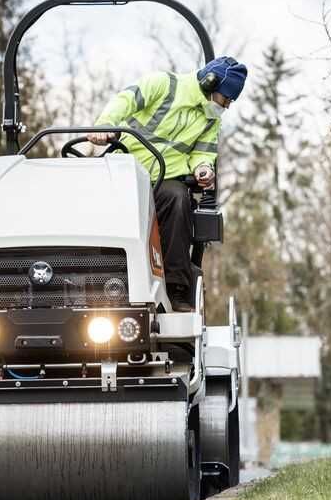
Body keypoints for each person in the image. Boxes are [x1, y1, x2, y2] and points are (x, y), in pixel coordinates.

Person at [90, 56, 248, 312]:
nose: (227, 106)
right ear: (210, 84)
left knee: (179, 199)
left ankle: (175, 288)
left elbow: (203, 153)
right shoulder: (163, 85)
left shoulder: (211, 120)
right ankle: (92, 280)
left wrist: (203, 168)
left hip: (166, 181)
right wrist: (105, 126)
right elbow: (126, 100)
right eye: (226, 98)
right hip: (127, 172)